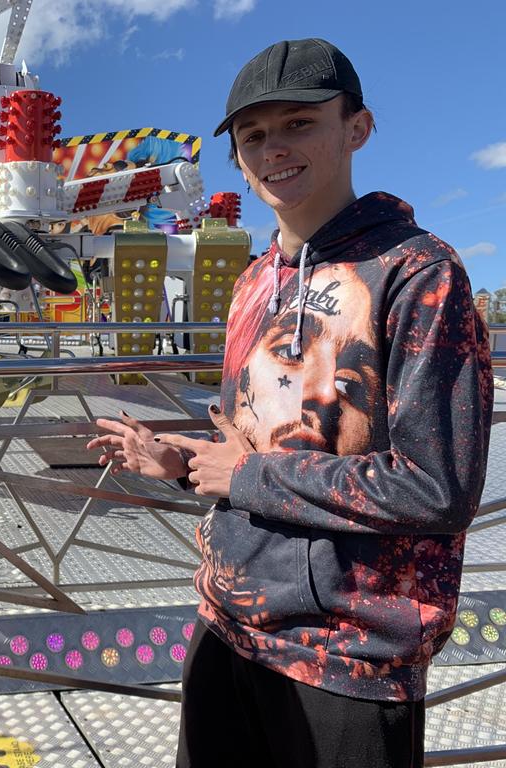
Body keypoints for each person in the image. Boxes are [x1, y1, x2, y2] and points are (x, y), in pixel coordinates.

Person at [88, 39, 493, 768]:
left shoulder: (419, 273)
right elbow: (252, 449)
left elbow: (438, 487)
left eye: (298, 123)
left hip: (350, 659)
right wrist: (185, 462)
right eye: (253, 135)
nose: (273, 148)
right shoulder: (252, 284)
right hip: (227, 628)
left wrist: (244, 477)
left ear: (356, 129)